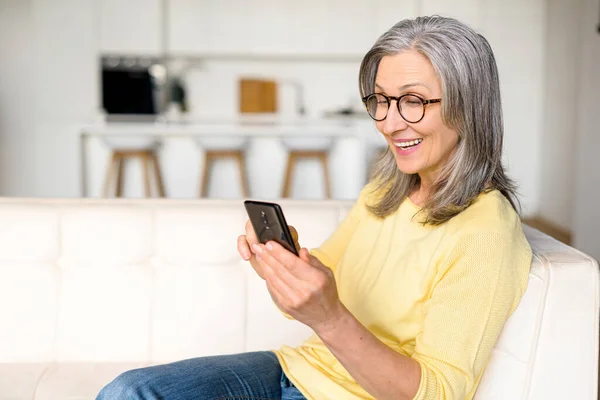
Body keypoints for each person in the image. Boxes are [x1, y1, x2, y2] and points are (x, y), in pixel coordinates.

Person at [96, 15, 532, 400]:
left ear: (469, 106)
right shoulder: (387, 191)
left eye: (413, 101)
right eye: (379, 100)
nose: (390, 122)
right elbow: (312, 291)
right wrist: (285, 268)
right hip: (298, 369)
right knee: (129, 392)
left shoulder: (483, 234)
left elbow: (437, 394)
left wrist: (330, 318)